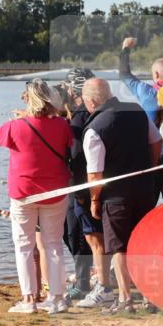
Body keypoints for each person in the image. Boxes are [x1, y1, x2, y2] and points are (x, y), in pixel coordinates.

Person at [0, 79, 73, 314]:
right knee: (54, 244)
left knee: (24, 246)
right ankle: (57, 298)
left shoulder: (15, 126)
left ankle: (29, 299)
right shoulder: (62, 125)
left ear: (28, 99)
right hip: (55, 191)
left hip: (23, 193)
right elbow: (60, 134)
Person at [81, 78, 162, 313]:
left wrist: (95, 200)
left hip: (115, 196)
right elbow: (156, 141)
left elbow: (95, 174)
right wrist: (149, 167)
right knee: (143, 243)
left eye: (86, 101)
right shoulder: (136, 110)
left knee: (120, 247)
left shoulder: (95, 129)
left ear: (93, 101)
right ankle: (150, 297)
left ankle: (126, 299)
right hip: (145, 189)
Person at [58, 68, 99, 301]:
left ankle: (83, 282)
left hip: (79, 185)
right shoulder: (77, 114)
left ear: (73, 90)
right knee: (75, 233)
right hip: (81, 183)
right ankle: (85, 276)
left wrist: (82, 192)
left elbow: (75, 155)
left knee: (76, 233)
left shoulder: (81, 117)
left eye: (66, 88)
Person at [119, 37, 163, 124]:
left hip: (154, 136)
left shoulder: (146, 92)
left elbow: (124, 74)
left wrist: (126, 48)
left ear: (156, 74)